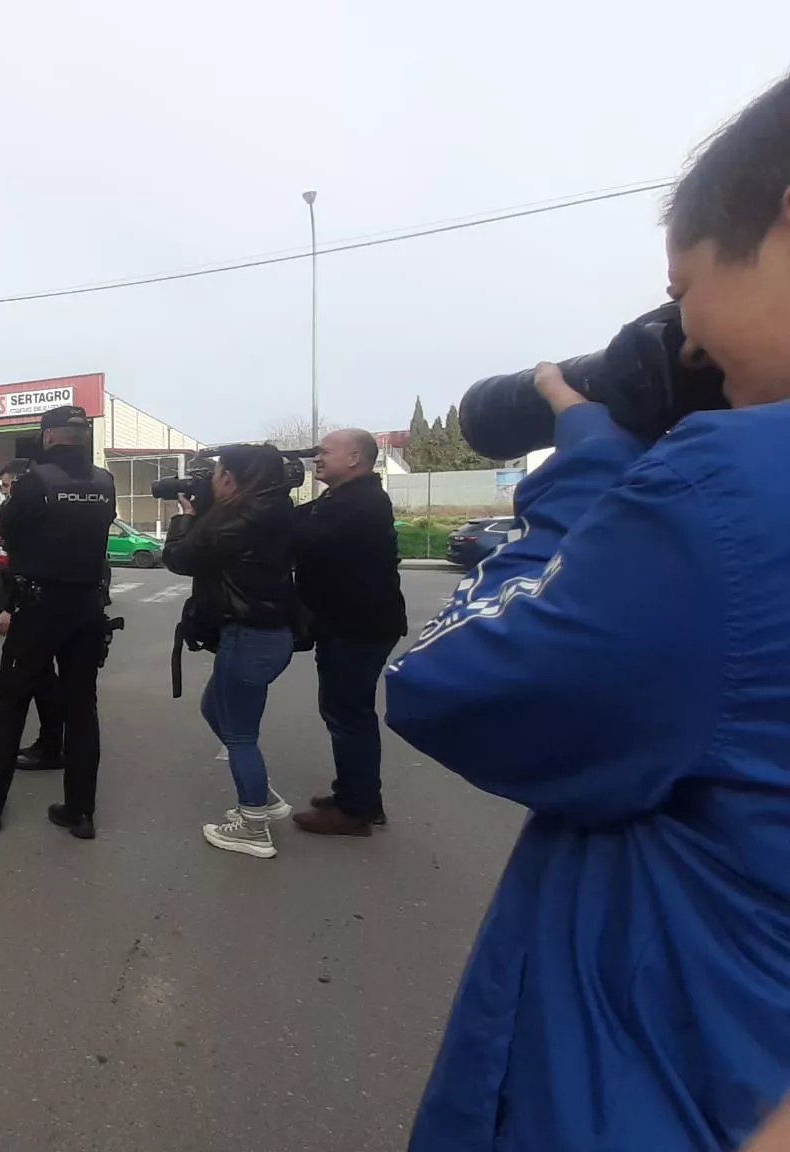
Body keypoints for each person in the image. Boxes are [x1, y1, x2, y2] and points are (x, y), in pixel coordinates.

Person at [386, 75, 790, 1151]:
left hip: (663, 1085)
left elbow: (446, 681)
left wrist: (586, 476)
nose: (684, 344)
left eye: (683, 288)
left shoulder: (728, 492)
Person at [0, 405, 116, 840]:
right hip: (87, 608)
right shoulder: (105, 482)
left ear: (48, 436)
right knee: (82, 708)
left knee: (11, 704)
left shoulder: (36, 482)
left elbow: (8, 530)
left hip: (39, 608)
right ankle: (80, 811)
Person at [161, 444, 299, 860]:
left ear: (231, 478)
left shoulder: (239, 521)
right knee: (213, 708)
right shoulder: (273, 510)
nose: (213, 480)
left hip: (249, 637)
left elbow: (180, 557)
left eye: (218, 473)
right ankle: (263, 798)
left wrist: (185, 517)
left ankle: (254, 826)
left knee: (240, 734)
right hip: (268, 633)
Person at [290, 429, 406, 835]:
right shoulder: (343, 497)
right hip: (353, 623)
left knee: (347, 715)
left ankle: (355, 810)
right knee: (348, 712)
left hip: (357, 626)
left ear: (355, 457)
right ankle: (360, 797)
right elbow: (298, 521)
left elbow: (302, 539)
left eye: (325, 451)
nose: (316, 458)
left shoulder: (360, 502)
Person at [0, 457, 65, 772]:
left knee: (19, 691)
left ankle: (40, 752)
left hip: (32, 611)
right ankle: (50, 745)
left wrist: (9, 608)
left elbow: (30, 569)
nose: (6, 493)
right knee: (44, 682)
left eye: (7, 486)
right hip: (48, 607)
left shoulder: (32, 515)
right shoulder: (43, 512)